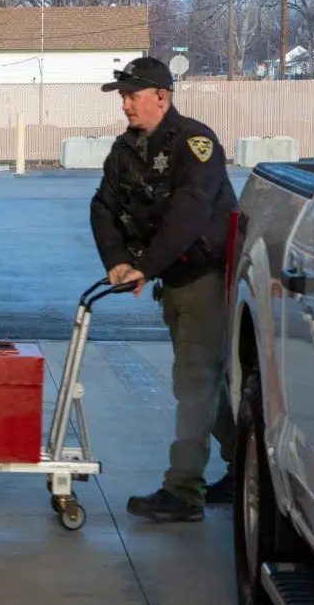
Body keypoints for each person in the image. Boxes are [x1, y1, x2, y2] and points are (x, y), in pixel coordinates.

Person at [89, 57, 239, 523]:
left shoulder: (194, 143)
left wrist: (144, 268)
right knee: (205, 381)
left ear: (161, 96)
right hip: (173, 279)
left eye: (133, 96)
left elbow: (188, 215)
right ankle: (246, 467)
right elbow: (103, 206)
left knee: (195, 382)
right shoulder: (126, 149)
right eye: (123, 97)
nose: (125, 105)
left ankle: (183, 491)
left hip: (206, 279)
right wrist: (118, 261)